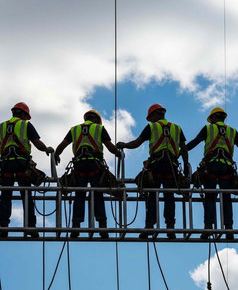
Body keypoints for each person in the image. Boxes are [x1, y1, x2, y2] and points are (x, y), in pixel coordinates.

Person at [116, 103, 189, 239]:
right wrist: (185, 165)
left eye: (151, 117)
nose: (151, 120)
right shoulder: (176, 128)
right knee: (169, 196)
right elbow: (183, 149)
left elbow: (137, 143)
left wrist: (124, 145)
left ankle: (150, 226)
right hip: (171, 167)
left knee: (152, 195)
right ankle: (170, 228)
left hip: (156, 166)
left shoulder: (152, 127)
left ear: (155, 115)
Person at [187, 107, 238, 240]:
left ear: (213, 118)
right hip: (227, 168)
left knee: (210, 197)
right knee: (226, 197)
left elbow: (195, 142)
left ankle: (208, 227)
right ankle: (229, 229)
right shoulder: (232, 131)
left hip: (211, 168)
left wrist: (180, 151)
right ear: (223, 118)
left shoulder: (208, 129)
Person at [55, 109, 121, 238]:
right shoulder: (99, 129)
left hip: (79, 165)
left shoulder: (75, 129)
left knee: (79, 194)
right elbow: (110, 146)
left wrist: (56, 155)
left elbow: (62, 145)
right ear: (96, 120)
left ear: (86, 119)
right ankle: (102, 225)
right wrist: (118, 153)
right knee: (97, 193)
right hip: (95, 164)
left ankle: (75, 226)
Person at [0, 102, 53, 238]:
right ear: (23, 114)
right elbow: (37, 143)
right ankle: (30, 227)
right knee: (27, 195)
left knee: (6, 196)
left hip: (5, 164)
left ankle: (3, 227)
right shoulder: (25, 125)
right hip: (22, 166)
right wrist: (46, 149)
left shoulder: (2, 126)